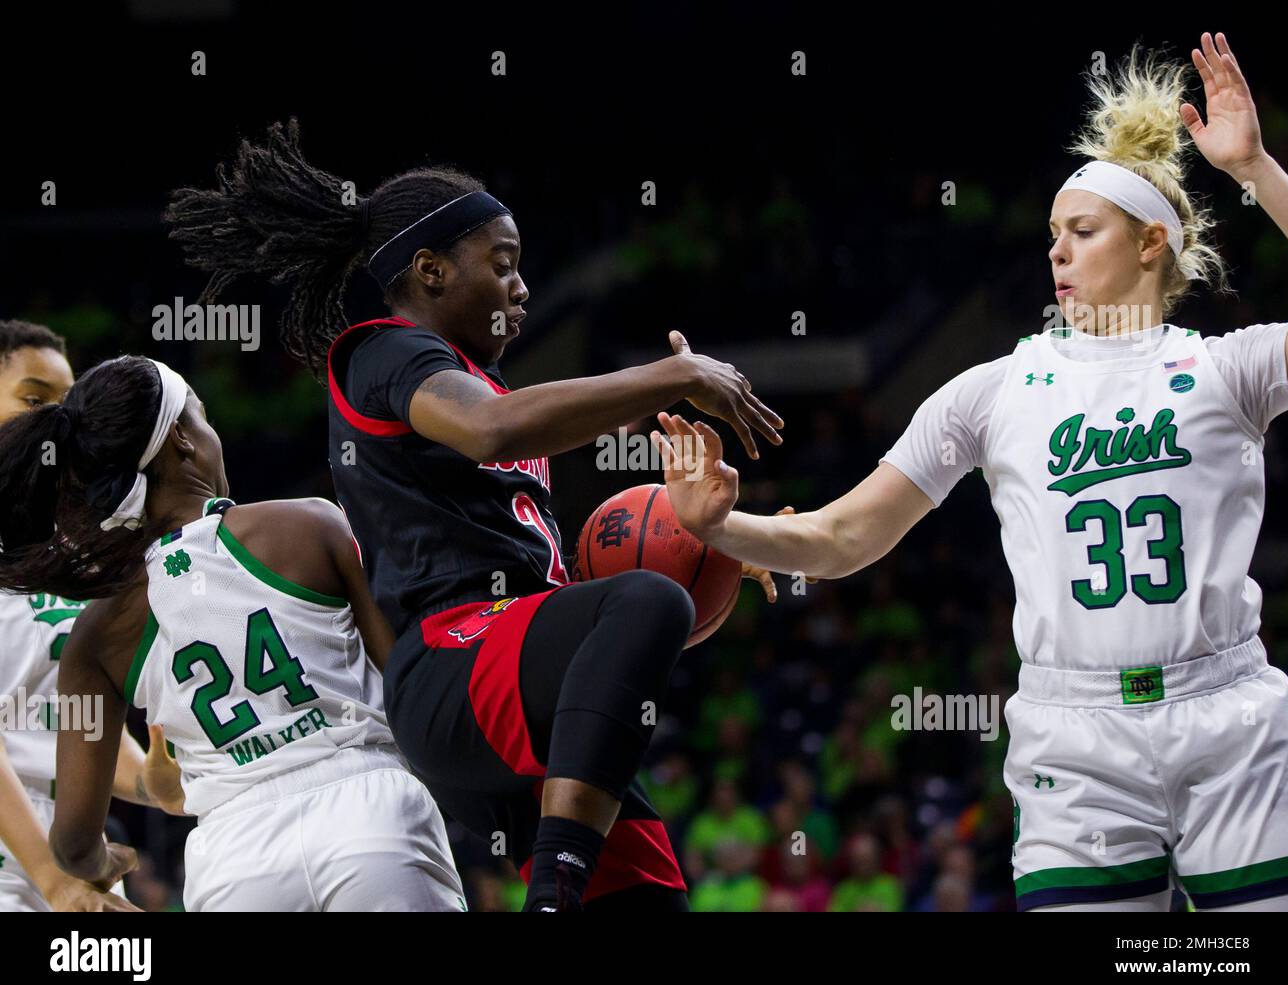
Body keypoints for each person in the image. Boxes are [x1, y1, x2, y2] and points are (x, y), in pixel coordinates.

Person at [653, 35, 1288, 911]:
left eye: (1081, 231)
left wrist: (1257, 168)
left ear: (1153, 242)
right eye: (1051, 237)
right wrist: (722, 527)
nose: (1057, 254)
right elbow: (845, 534)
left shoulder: (1231, 368)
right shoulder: (992, 391)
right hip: (1074, 733)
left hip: (1228, 711)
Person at [165, 122, 786, 910]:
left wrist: (724, 539)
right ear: (429, 270)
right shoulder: (384, 353)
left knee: (650, 893)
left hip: (524, 685)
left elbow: (553, 533)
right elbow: (496, 429)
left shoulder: (480, 385)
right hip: (453, 662)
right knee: (647, 601)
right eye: (503, 265)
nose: (521, 287)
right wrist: (673, 373)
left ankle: (562, 881)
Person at [0, 354, 465, 911]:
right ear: (182, 439)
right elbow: (413, 691)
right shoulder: (307, 524)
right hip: (369, 812)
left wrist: (106, 863)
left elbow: (74, 841)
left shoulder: (96, 633)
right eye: (203, 416)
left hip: (231, 859)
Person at [0, 320, 184, 913]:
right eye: (33, 399)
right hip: (33, 864)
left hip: (76, 862)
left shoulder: (81, 550)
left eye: (65, 406)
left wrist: (149, 784)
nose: (55, 422)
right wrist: (52, 881)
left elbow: (77, 725)